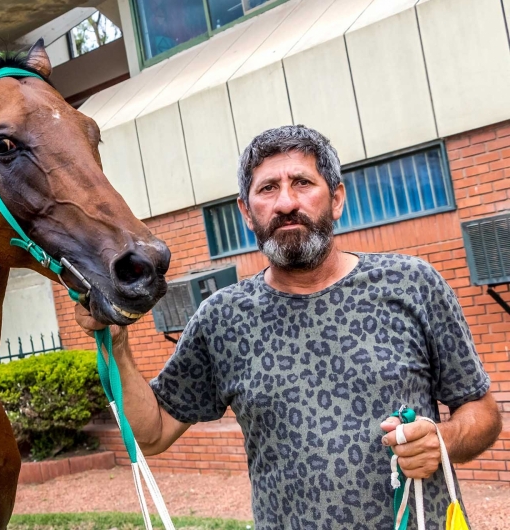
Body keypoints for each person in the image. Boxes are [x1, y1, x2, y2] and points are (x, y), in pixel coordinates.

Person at [76, 125, 502, 530]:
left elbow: (482, 412)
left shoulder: (412, 284)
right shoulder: (222, 318)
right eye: (267, 189)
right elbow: (152, 432)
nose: (285, 203)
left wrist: (441, 440)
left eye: (302, 183)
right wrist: (116, 345)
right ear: (246, 212)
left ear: (336, 198)